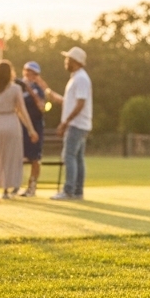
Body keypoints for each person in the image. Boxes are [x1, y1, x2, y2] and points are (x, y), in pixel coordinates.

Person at [0, 59, 38, 202]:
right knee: (10, 157)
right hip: (12, 122)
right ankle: (7, 190)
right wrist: (31, 130)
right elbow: (22, 111)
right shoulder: (15, 89)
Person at [49, 46, 91, 201]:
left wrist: (65, 122)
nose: (65, 62)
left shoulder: (80, 78)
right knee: (77, 158)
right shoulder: (77, 78)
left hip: (76, 124)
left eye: (68, 59)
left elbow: (80, 103)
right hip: (80, 124)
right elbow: (71, 102)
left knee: (69, 156)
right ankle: (77, 191)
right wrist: (55, 98)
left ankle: (68, 191)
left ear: (75, 62)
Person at [16, 61, 51, 197]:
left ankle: (32, 187)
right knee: (18, 157)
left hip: (35, 126)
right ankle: (15, 185)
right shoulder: (18, 86)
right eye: (27, 71)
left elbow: (43, 106)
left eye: (33, 73)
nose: (29, 74)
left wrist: (31, 90)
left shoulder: (39, 88)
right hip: (20, 125)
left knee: (35, 157)